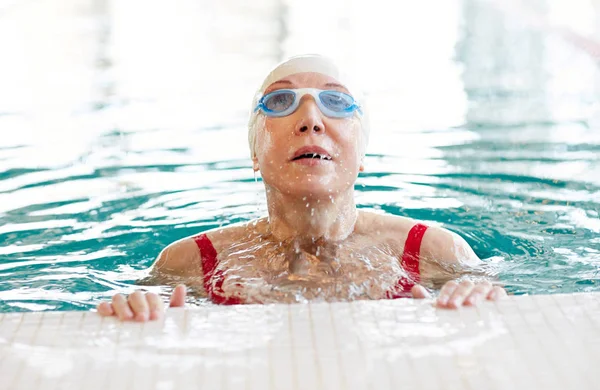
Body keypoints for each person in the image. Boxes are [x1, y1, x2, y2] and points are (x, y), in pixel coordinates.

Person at [97, 55, 507, 322]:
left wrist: (476, 297)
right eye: (280, 103)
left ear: (361, 153)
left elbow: (506, 312)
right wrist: (135, 310)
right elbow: (129, 319)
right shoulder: (187, 263)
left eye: (336, 102)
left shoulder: (435, 252)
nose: (311, 119)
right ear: (255, 152)